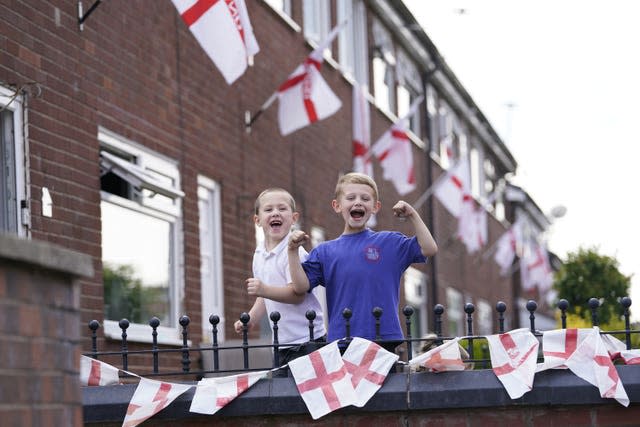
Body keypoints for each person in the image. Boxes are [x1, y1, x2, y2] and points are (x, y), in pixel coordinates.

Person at [288, 172, 437, 353]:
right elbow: (300, 286)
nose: (358, 202)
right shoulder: (324, 251)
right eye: (350, 197)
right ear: (337, 206)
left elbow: (429, 248)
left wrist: (412, 214)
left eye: (365, 198)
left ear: (375, 207)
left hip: (384, 338)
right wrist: (292, 251)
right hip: (343, 340)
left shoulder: (389, 242)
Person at [234, 188, 326, 367]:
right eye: (268, 210)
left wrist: (264, 289)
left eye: (282, 209)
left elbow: (297, 295)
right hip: (281, 342)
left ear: (294, 218)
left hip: (308, 339)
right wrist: (251, 318)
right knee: (285, 393)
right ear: (257, 220)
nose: (275, 213)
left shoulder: (294, 252)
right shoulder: (259, 253)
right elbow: (265, 296)